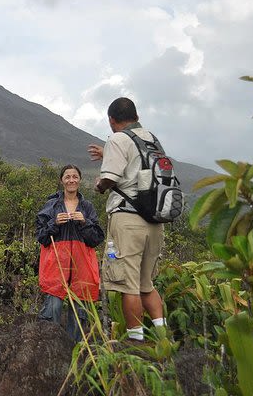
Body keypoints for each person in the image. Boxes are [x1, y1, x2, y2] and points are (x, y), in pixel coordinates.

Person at [89, 97, 167, 344]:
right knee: (147, 283)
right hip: (154, 220)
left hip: (128, 220)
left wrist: (99, 186)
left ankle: (136, 342)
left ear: (112, 120)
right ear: (136, 115)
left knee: (128, 284)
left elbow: (110, 178)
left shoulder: (118, 138)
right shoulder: (151, 139)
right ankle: (162, 338)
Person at [35, 164, 104, 342]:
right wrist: (54, 223)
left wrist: (85, 222)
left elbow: (96, 239)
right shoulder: (51, 206)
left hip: (82, 266)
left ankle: (76, 350)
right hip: (56, 264)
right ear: (62, 180)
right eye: (67, 177)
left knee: (80, 309)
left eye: (75, 176)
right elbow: (41, 236)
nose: (71, 180)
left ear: (80, 180)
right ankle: (50, 348)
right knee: (54, 306)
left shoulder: (87, 207)